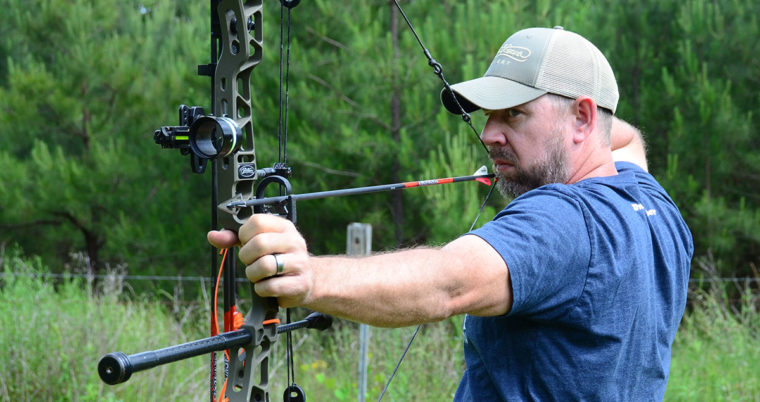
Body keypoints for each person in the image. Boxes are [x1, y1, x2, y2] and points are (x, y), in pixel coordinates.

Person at [208, 26, 693, 400]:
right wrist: (578, 124)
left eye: (513, 114)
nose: (489, 134)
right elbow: (624, 139)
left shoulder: (560, 221)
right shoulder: (650, 200)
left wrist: (310, 278)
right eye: (487, 114)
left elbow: (449, 280)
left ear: (583, 118)